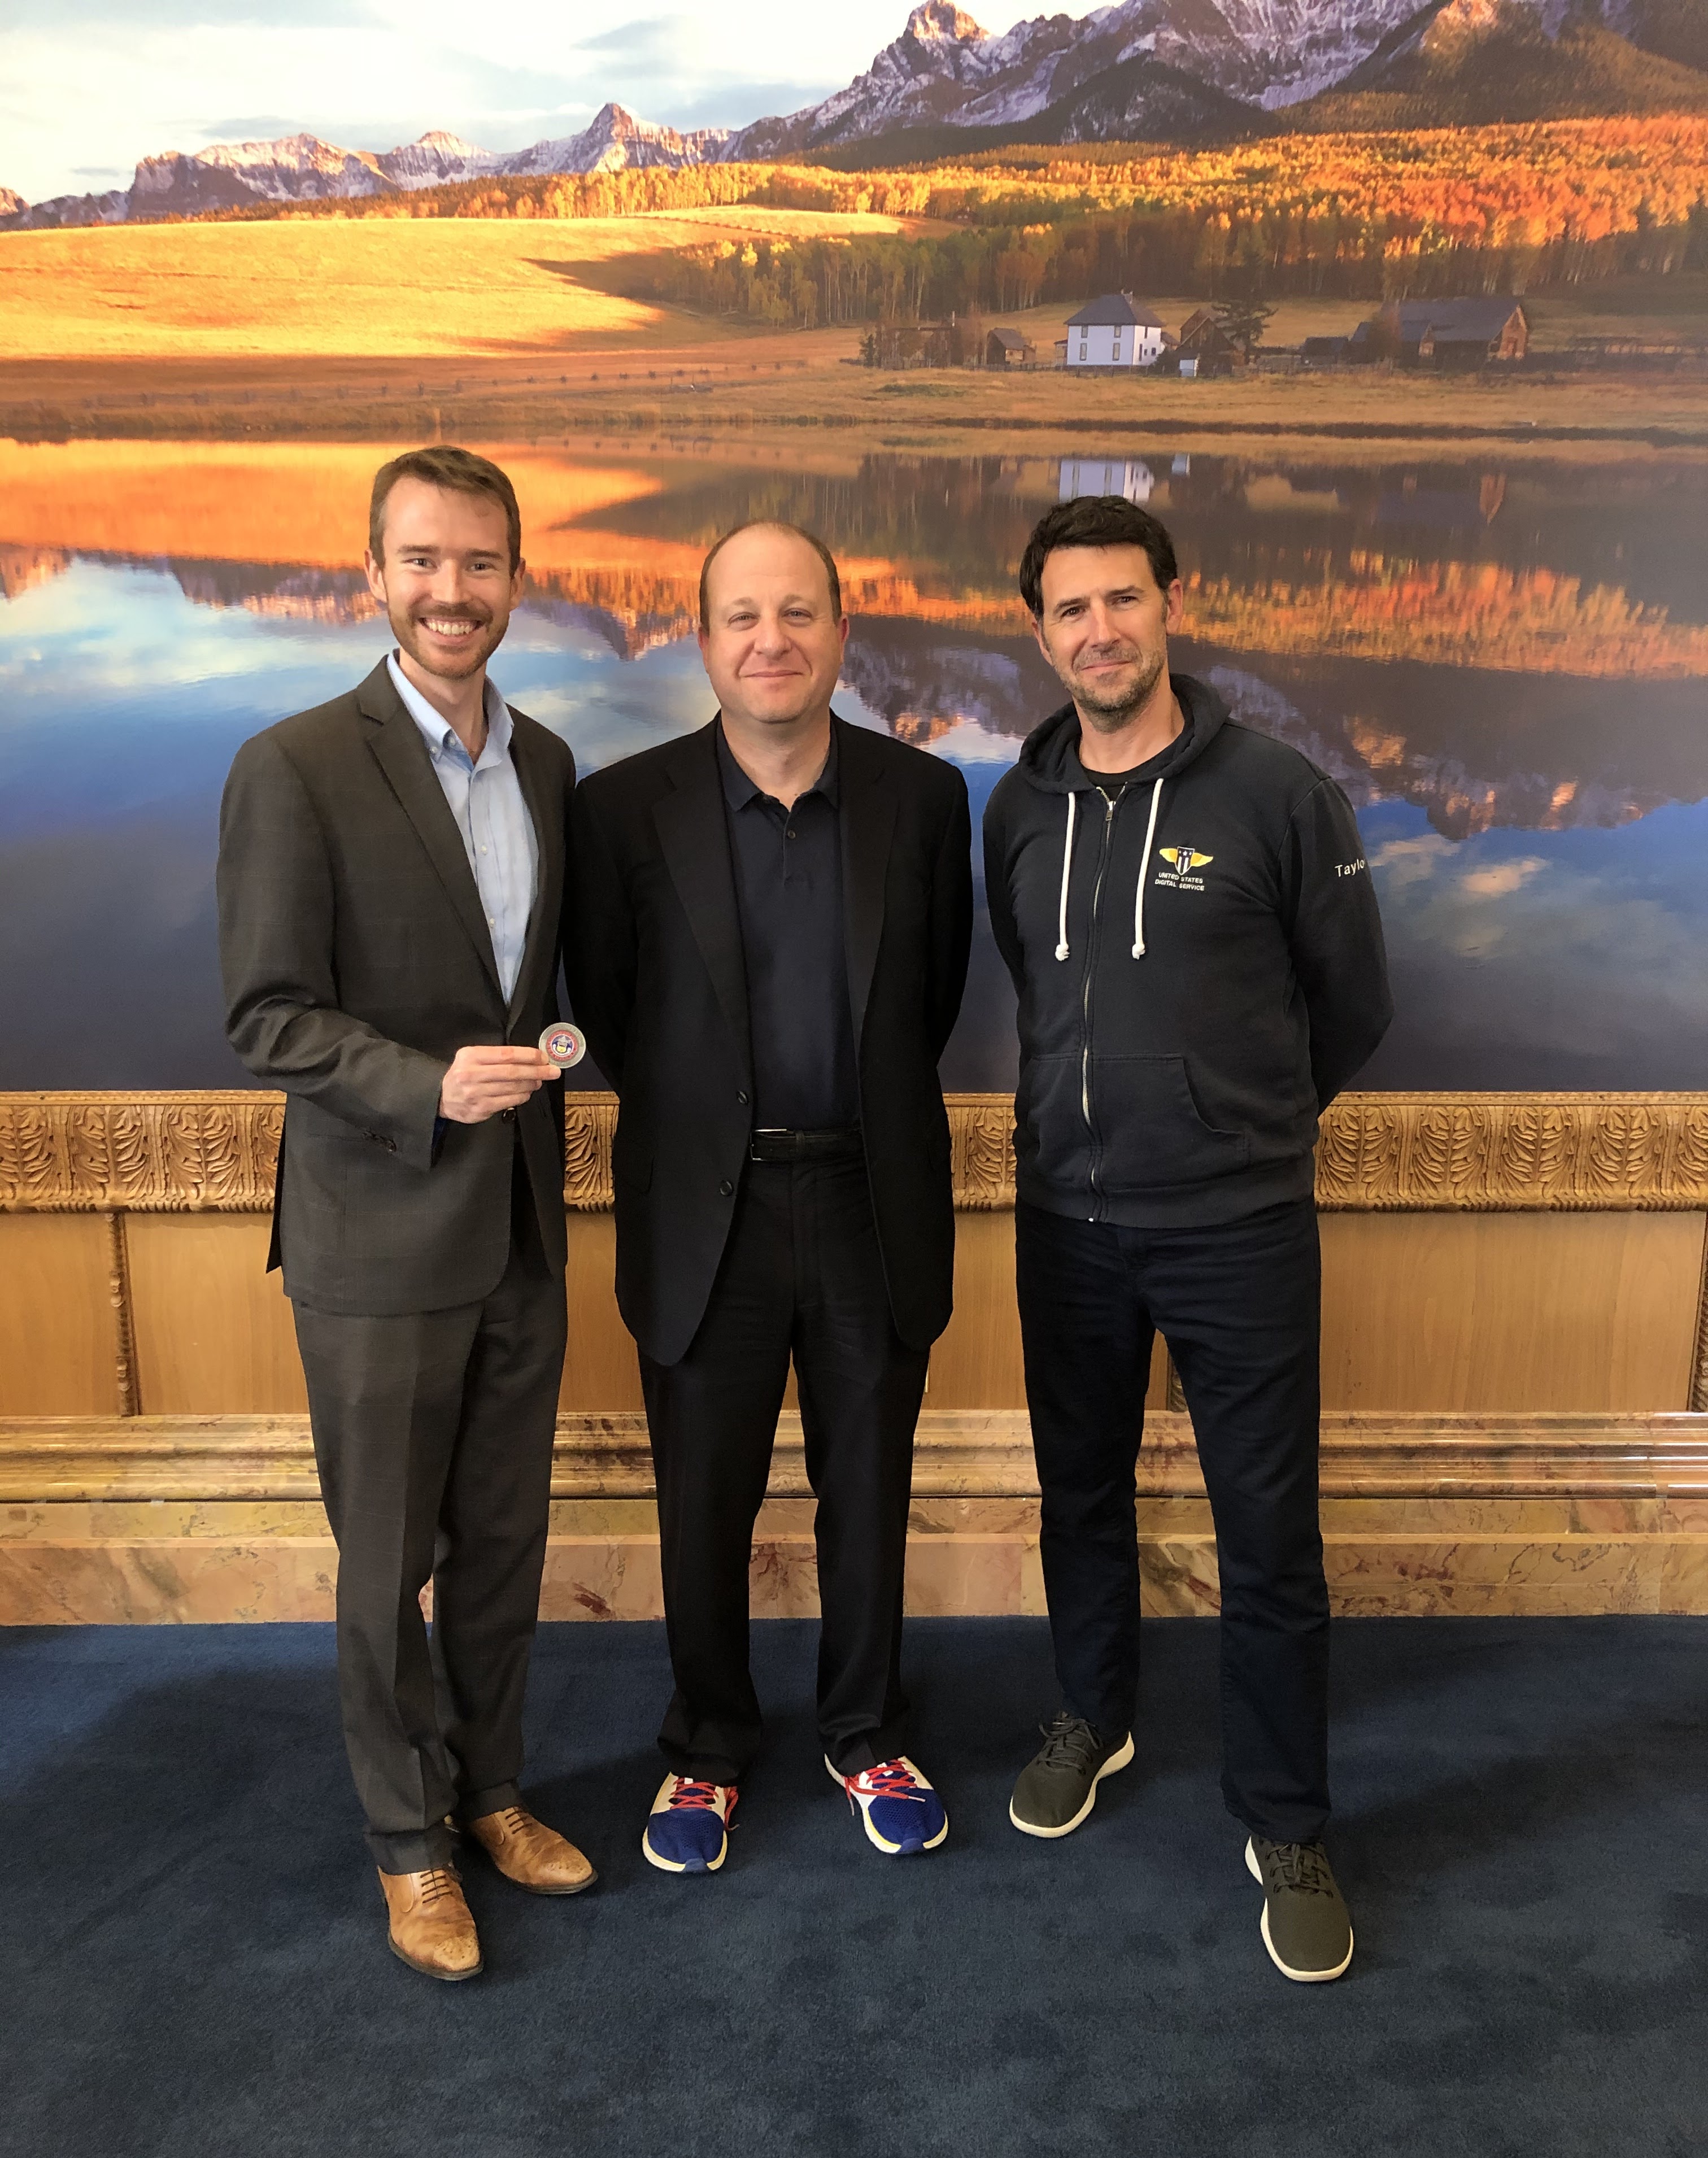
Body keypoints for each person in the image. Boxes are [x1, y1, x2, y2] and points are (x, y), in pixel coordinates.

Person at [983, 494, 1392, 1982]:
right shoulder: (1017, 809)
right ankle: (1094, 1715)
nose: (1099, 630)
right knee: (1079, 1493)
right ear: (1041, 633)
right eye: (1070, 609)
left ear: (1171, 605)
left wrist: (1235, 1128)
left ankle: (1285, 1818)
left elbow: (1354, 1008)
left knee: (1268, 1534)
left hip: (1239, 1231)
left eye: (1123, 599)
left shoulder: (1279, 794)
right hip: (1066, 1225)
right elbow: (1036, 988)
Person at [217, 446, 593, 1983]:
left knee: (502, 1546)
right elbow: (267, 1014)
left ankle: (491, 1793)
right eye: (424, 561)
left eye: (481, 562)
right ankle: (406, 1844)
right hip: (375, 1239)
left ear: (518, 576)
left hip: (521, 1233)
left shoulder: (549, 763)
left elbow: (540, 987)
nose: (453, 591)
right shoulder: (295, 765)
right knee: (384, 1568)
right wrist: (425, 1086)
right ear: (373, 573)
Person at [569, 520, 973, 1873]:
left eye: (798, 613)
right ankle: (706, 1747)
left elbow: (929, 1003)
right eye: (742, 616)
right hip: (706, 1210)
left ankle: (866, 1734)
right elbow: (614, 1016)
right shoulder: (622, 812)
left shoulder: (925, 800)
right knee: (704, 1500)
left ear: (843, 632)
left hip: (870, 1195)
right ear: (703, 641)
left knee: (870, 1487)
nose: (771, 641)